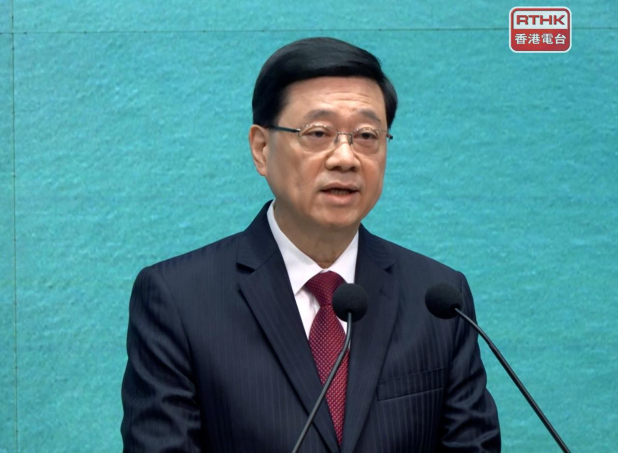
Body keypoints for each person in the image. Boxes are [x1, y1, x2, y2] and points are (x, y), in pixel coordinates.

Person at [121, 37, 500, 452]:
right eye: (318, 133)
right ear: (261, 149)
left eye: (367, 135)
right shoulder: (180, 299)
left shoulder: (439, 300)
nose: (345, 158)